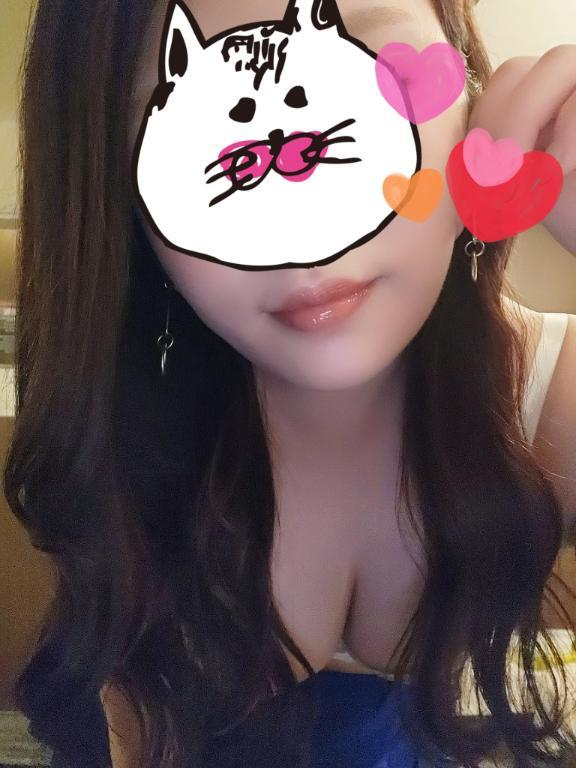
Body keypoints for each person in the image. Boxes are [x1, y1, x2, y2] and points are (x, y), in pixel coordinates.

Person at [2, 0, 576, 766]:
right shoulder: (124, 413)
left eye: (356, 72)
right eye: (211, 129)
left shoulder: (545, 390)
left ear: (468, 80)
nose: (301, 230)